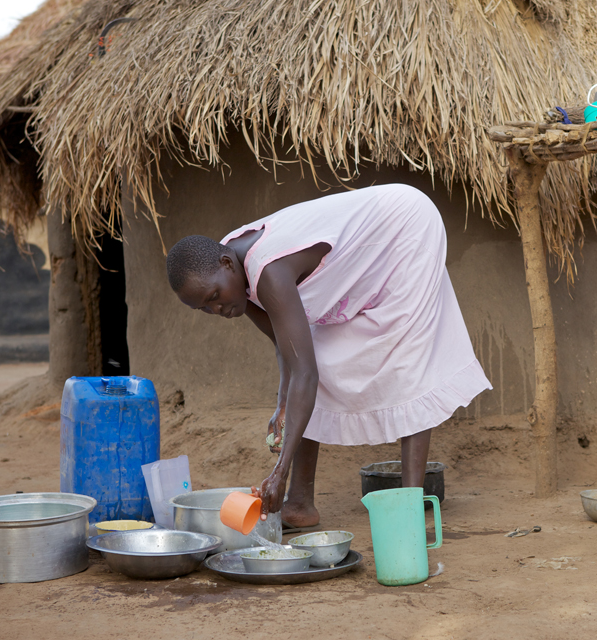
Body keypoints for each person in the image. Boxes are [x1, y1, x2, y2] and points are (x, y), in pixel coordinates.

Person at [166, 183, 491, 529]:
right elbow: (286, 346)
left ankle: (408, 513)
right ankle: (300, 503)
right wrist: (283, 403)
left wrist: (279, 470)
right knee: (311, 356)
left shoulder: (268, 272)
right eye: (205, 308)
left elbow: (305, 374)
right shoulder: (231, 273)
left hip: (404, 228)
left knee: (407, 360)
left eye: (214, 296)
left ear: (227, 264)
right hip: (370, 251)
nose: (217, 309)